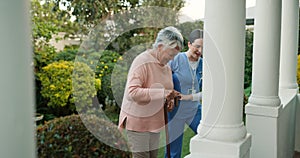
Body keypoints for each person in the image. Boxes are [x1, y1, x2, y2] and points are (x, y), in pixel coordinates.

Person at [118, 26, 184, 158]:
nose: (171, 59)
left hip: (154, 123)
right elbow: (132, 93)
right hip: (138, 122)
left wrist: (169, 99)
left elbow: (164, 91)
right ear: (160, 47)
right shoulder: (142, 61)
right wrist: (163, 93)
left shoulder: (165, 67)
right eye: (171, 54)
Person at [166, 29, 203, 158]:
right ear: (189, 44)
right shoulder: (176, 59)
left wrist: (190, 97)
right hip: (176, 110)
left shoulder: (204, 65)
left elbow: (208, 91)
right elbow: (164, 78)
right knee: (173, 152)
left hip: (194, 109)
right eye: (197, 46)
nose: (200, 50)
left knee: (209, 135)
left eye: (203, 47)